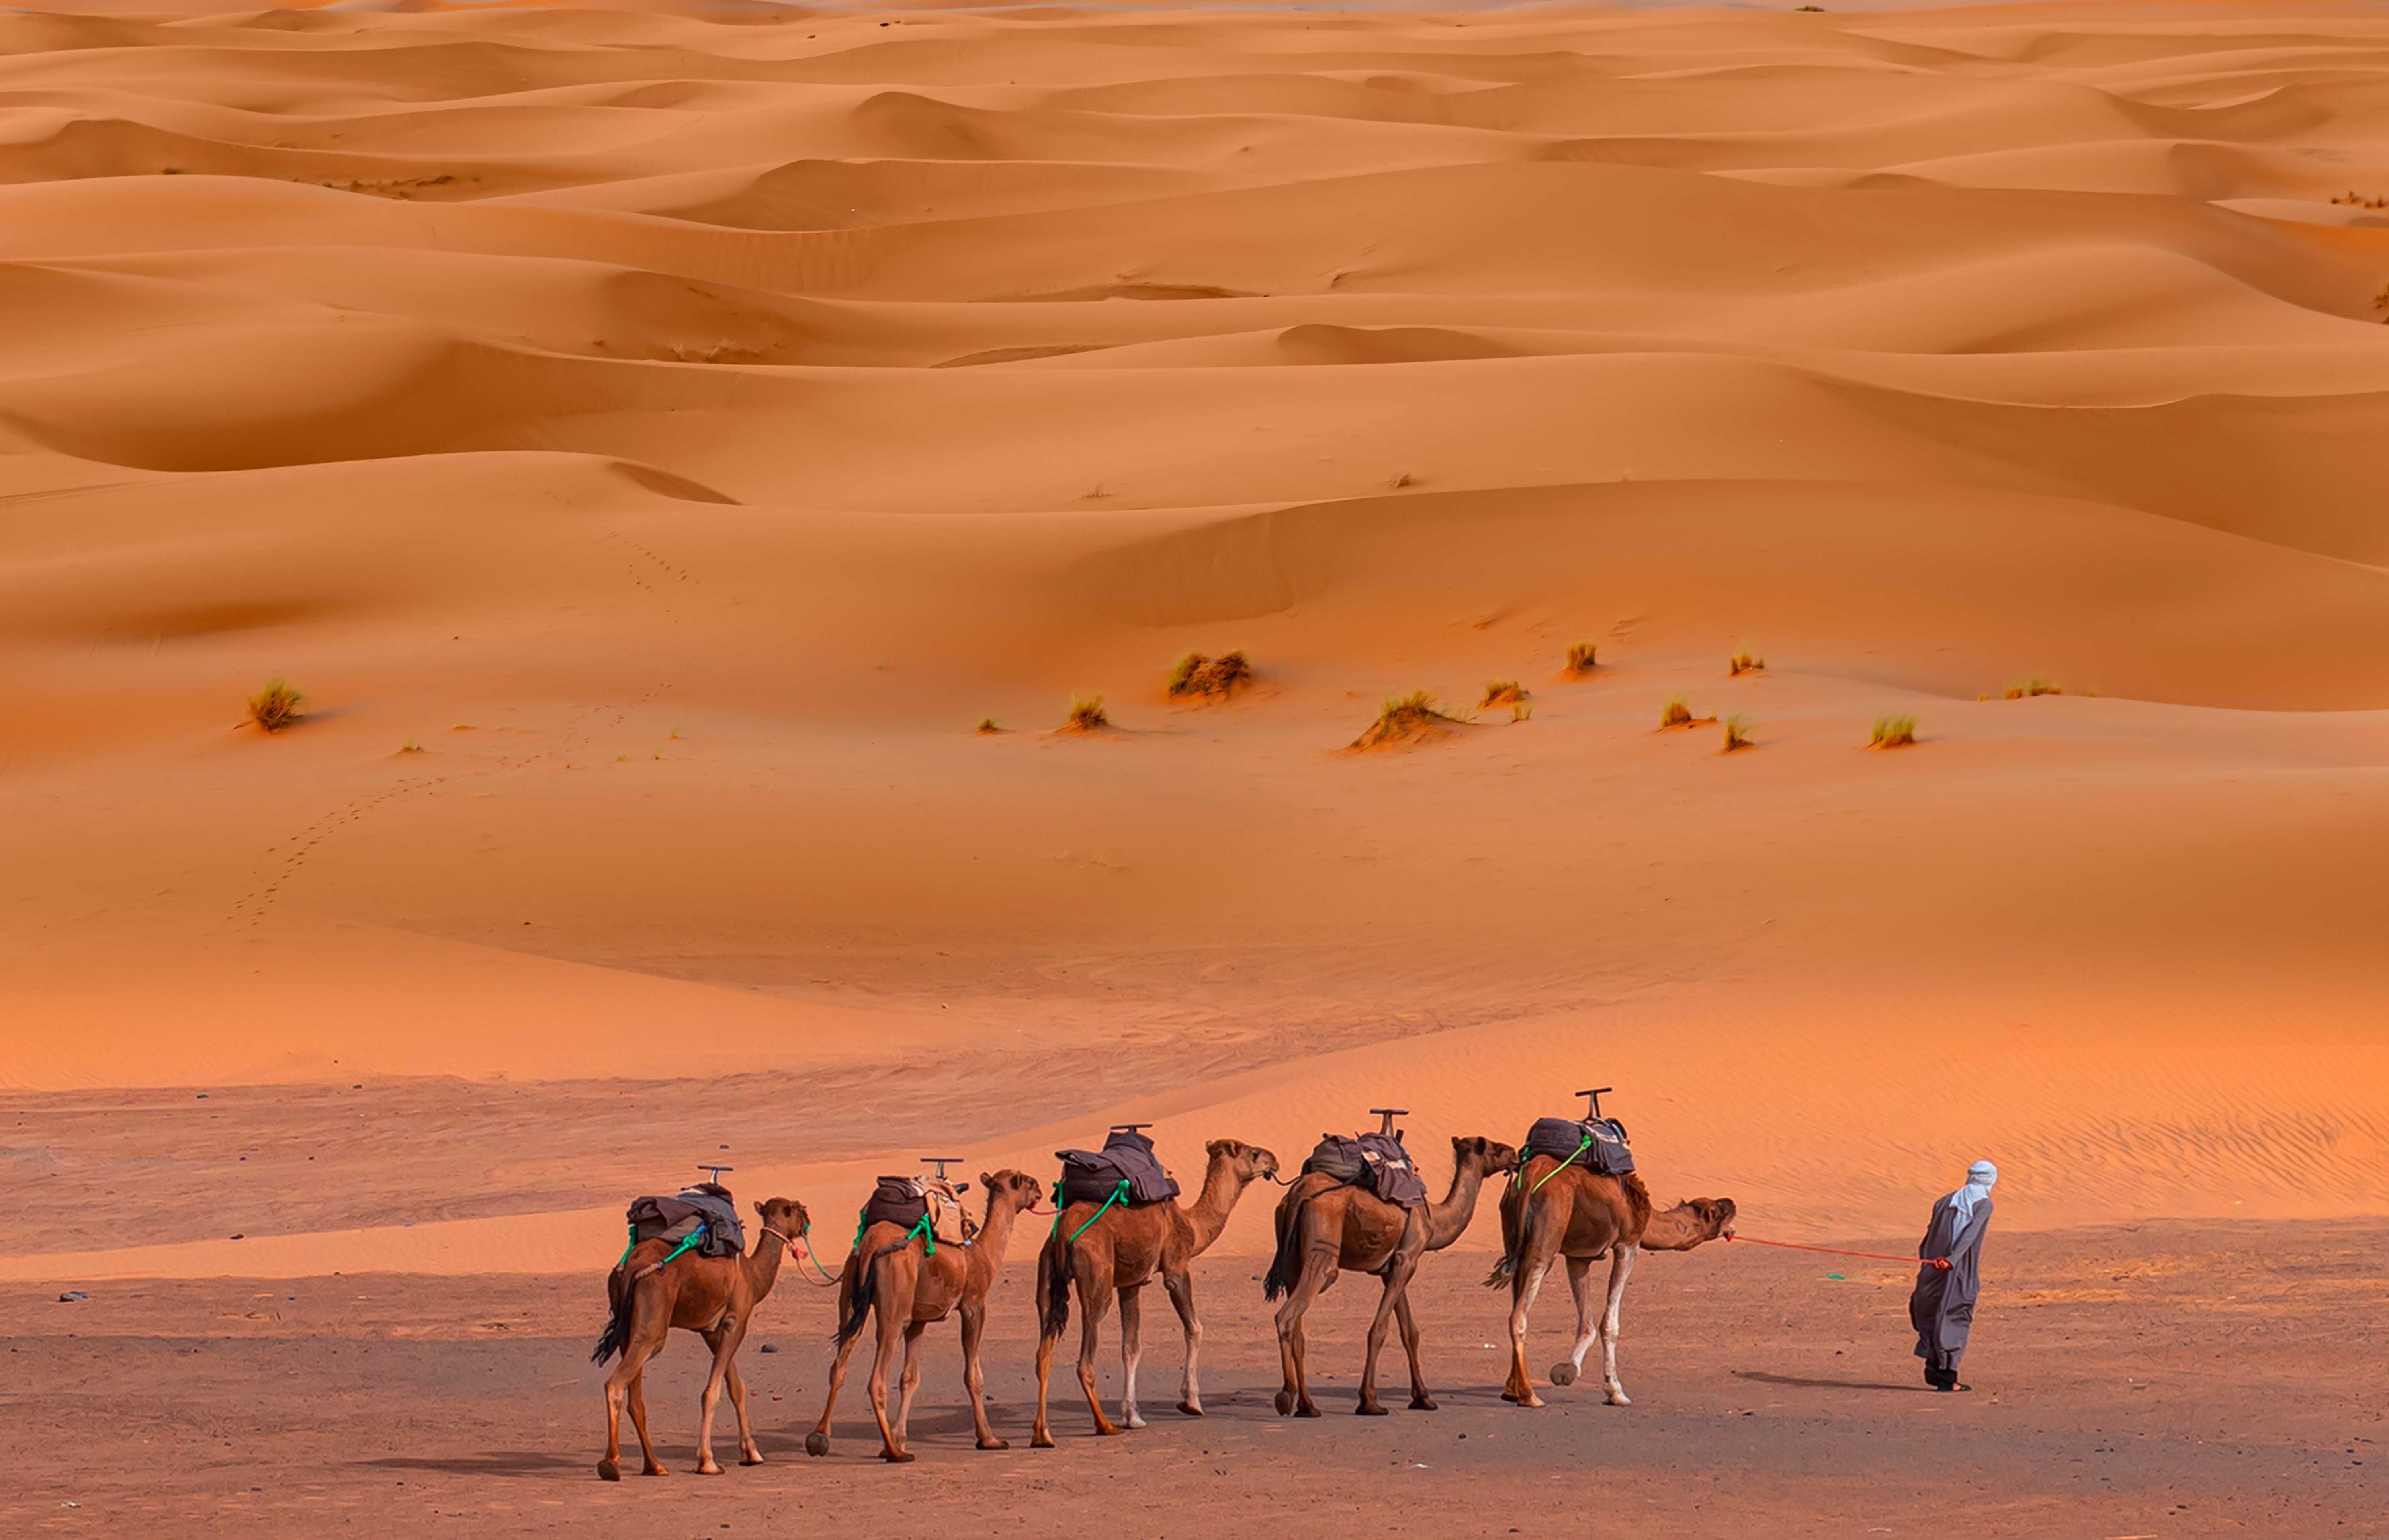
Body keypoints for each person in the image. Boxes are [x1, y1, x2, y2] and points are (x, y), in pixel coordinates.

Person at [1909, 1159, 1996, 1391]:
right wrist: (1951, 1261)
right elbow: (1970, 1235)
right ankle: (1948, 1378)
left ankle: (1934, 1364)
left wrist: (1928, 1264)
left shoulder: (1943, 1202)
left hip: (1932, 1267)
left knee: (1932, 1312)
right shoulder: (1984, 1205)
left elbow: (1927, 1239)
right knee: (1956, 1315)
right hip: (1957, 1269)